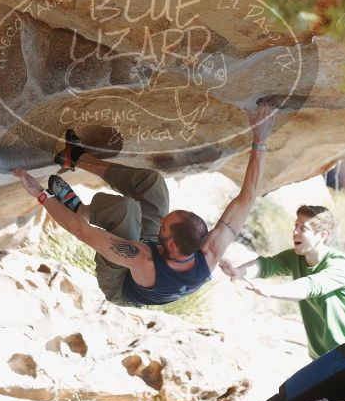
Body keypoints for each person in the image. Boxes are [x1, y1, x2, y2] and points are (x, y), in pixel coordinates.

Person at [14, 102, 276, 307]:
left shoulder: (140, 259)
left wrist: (41, 195)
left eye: (166, 223)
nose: (162, 219)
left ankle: (77, 207)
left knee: (125, 210)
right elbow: (247, 197)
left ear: (172, 243)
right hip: (158, 258)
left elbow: (83, 232)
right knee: (153, 186)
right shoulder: (209, 253)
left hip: (121, 283)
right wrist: (260, 140)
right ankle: (75, 157)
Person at [221, 205, 345, 359]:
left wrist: (270, 291)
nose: (295, 232)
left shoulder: (339, 263)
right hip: (321, 357)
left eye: (303, 228)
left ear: (322, 235)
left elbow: (309, 286)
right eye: (295, 226)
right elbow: (266, 265)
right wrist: (239, 272)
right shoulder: (295, 257)